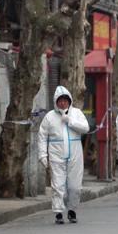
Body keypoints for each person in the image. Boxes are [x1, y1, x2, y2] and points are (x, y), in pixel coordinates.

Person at [38, 85, 90, 224]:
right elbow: (42, 136)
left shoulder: (77, 113)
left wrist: (70, 121)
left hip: (75, 153)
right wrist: (43, 155)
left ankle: (72, 210)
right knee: (57, 184)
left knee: (75, 186)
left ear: (69, 101)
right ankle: (58, 212)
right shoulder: (49, 117)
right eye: (60, 100)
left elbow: (85, 128)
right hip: (56, 153)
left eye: (65, 100)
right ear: (56, 102)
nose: (63, 103)